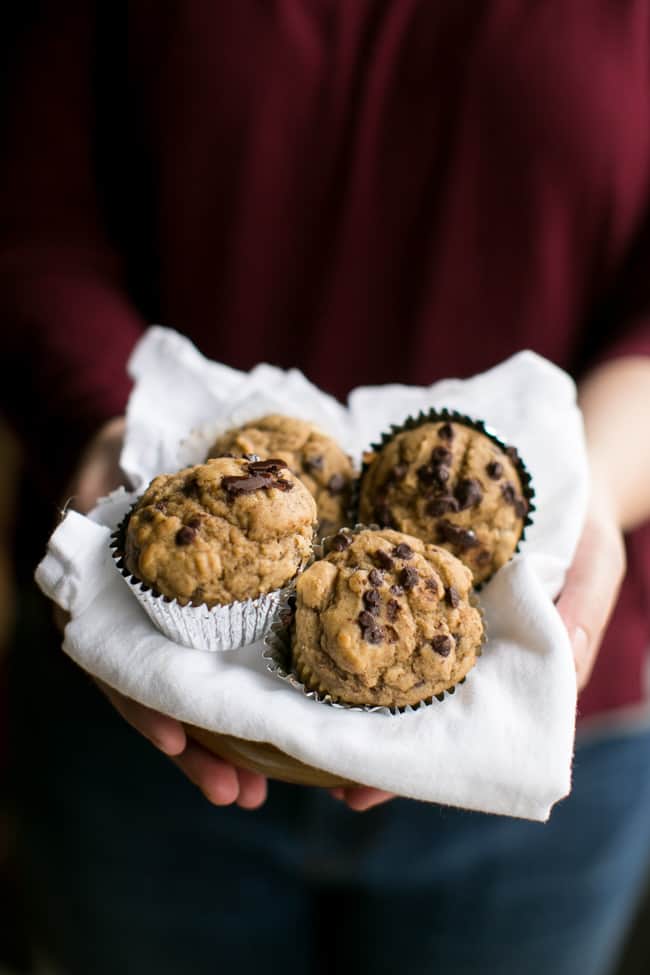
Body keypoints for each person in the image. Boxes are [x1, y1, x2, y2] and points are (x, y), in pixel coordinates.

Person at [2, 3, 650, 974]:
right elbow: (29, 217)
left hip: (554, 734)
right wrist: (109, 431)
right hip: (127, 716)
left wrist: (586, 488)